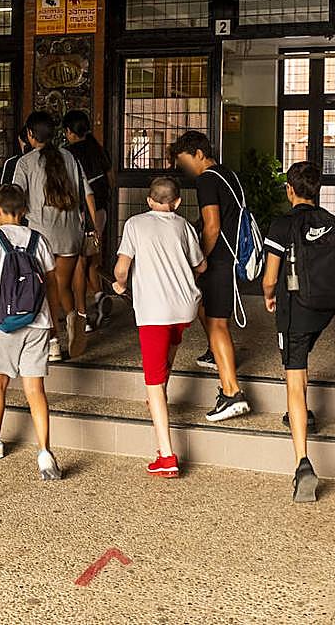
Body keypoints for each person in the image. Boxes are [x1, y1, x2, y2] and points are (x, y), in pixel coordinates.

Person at [261, 161, 335, 502]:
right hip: (325, 311)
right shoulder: (334, 223)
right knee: (301, 359)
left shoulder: (282, 225)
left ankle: (302, 463)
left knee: (294, 379)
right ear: (317, 190)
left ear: (290, 190)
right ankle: (302, 414)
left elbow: (270, 279)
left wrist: (269, 296)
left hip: (296, 312)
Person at [113, 177, 205, 478]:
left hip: (154, 312)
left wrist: (120, 284)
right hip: (185, 308)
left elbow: (122, 268)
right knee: (169, 351)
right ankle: (159, 394)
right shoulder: (184, 226)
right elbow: (201, 266)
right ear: (177, 202)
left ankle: (166, 455)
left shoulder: (135, 224)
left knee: (152, 380)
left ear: (149, 201)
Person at [0, 184, 62, 481]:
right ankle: (45, 452)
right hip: (38, 321)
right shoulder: (39, 240)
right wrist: (55, 322)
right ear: (23, 211)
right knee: (35, 390)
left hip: (2, 325)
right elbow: (52, 285)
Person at [170, 131, 251, 422]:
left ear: (199, 154)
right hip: (231, 257)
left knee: (217, 323)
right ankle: (214, 354)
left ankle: (232, 393)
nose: (185, 169)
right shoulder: (228, 175)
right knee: (206, 310)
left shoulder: (206, 179)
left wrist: (199, 261)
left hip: (218, 260)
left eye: (185, 162)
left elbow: (212, 225)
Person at [11, 111, 96, 361]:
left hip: (41, 236)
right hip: (70, 234)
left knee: (45, 290)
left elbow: (15, 197)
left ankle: (54, 342)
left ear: (30, 134)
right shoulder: (69, 157)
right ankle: (72, 316)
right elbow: (85, 192)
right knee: (62, 285)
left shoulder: (25, 162)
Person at [64, 110, 114, 332]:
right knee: (92, 259)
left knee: (79, 264)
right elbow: (111, 180)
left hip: (83, 214)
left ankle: (82, 314)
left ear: (68, 131)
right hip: (101, 211)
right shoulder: (98, 149)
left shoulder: (68, 154)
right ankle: (100, 295)